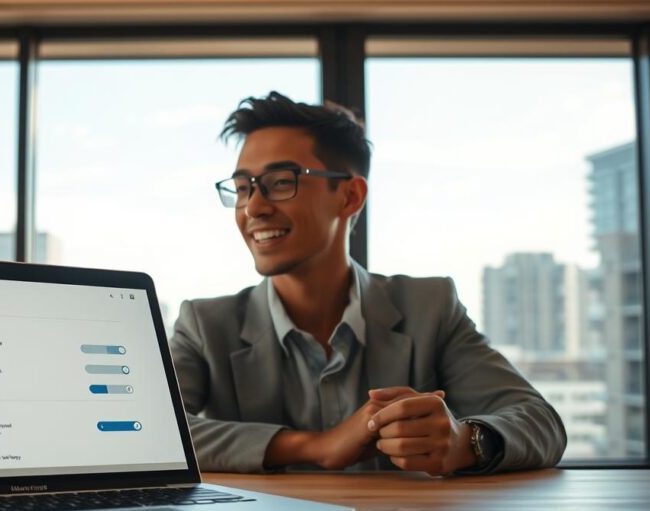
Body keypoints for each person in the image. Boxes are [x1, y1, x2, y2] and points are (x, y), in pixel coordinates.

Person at [169, 92, 566, 475]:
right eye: (242, 188)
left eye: (279, 181)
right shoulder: (205, 325)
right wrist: (317, 446)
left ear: (350, 196)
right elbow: (152, 433)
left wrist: (464, 441)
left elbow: (541, 423)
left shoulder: (429, 307)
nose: (253, 207)